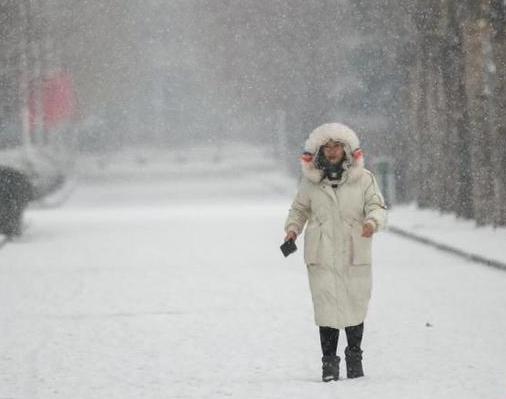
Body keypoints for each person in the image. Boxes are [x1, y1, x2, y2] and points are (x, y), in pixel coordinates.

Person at [283, 123, 387, 382]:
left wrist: (371, 222)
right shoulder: (310, 182)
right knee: (326, 307)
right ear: (319, 150)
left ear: (346, 149)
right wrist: (292, 230)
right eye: (326, 147)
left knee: (355, 303)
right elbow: (298, 210)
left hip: (354, 251)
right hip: (322, 253)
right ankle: (329, 364)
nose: (331, 151)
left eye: (336, 146)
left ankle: (355, 359)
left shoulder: (364, 179)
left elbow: (377, 206)